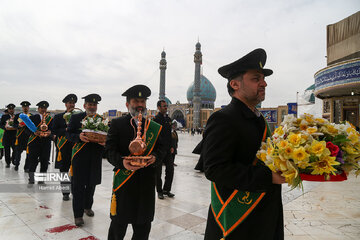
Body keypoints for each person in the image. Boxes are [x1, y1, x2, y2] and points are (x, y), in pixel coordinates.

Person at [200, 49, 286, 240]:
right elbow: (215, 169)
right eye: (256, 79)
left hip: (264, 216)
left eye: (263, 78)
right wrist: (268, 177)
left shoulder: (259, 120)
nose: (264, 83)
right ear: (235, 84)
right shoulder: (223, 119)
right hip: (237, 223)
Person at [106, 85, 163, 240]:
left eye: (143, 101)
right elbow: (109, 150)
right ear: (127, 104)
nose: (140, 104)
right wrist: (122, 163)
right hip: (124, 184)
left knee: (143, 228)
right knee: (118, 227)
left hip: (146, 183)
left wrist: (155, 158)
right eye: (136, 101)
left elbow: (162, 149)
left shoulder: (154, 127)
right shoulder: (117, 124)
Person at [66, 94, 105, 226]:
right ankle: (78, 215)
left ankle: (87, 206)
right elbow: (68, 134)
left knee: (91, 184)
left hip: (95, 157)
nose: (92, 107)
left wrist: (104, 142)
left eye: (94, 105)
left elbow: (107, 137)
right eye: (90, 104)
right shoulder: (76, 118)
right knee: (78, 186)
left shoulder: (102, 120)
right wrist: (78, 137)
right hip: (79, 156)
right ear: (84, 106)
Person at [52, 94, 77, 201]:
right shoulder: (58, 117)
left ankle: (75, 190)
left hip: (75, 147)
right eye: (69, 103)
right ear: (66, 104)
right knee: (64, 170)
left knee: (76, 169)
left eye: (73, 103)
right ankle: (65, 192)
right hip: (63, 148)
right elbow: (54, 131)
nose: (71, 105)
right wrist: (65, 130)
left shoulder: (78, 116)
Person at [27, 101, 53, 184]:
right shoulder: (33, 118)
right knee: (33, 161)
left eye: (45, 108)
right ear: (38, 109)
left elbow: (53, 129)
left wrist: (50, 133)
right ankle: (31, 178)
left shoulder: (50, 119)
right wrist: (34, 132)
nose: (43, 109)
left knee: (44, 161)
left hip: (46, 142)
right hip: (34, 142)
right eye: (42, 108)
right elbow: (26, 130)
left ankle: (41, 179)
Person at [154, 100, 175, 199]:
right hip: (159, 150)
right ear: (158, 107)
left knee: (170, 169)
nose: (166, 108)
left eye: (166, 106)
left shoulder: (169, 119)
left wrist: (171, 146)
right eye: (163, 106)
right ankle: (159, 191)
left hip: (167, 149)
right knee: (158, 172)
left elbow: (169, 135)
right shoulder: (155, 120)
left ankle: (167, 189)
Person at [13, 101, 32, 171]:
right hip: (19, 137)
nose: (25, 108)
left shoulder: (32, 116)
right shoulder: (18, 116)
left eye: (26, 107)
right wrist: (18, 125)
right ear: (22, 108)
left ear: (28, 108)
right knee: (18, 152)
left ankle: (26, 167)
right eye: (24, 107)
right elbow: (14, 124)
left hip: (28, 137)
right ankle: (17, 164)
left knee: (28, 153)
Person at [0, 104, 17, 168]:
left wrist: (15, 127)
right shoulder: (4, 117)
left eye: (12, 109)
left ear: (14, 110)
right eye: (10, 109)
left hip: (14, 135)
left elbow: (18, 124)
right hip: (7, 135)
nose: (11, 110)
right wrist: (4, 127)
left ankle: (13, 159)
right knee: (7, 150)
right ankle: (8, 163)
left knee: (15, 149)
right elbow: (0, 124)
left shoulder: (16, 116)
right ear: (8, 110)